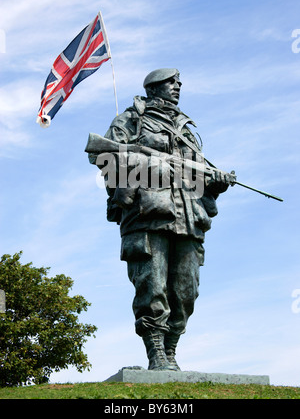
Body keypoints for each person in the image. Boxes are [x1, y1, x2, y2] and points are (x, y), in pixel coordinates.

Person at [88, 68, 230, 371]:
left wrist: (215, 181)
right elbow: (104, 160)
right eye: (170, 82)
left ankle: (171, 348)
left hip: (188, 217)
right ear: (153, 88)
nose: (177, 86)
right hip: (148, 215)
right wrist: (147, 162)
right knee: (152, 286)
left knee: (186, 290)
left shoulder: (187, 130)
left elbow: (197, 177)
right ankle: (156, 351)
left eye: (179, 83)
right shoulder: (130, 120)